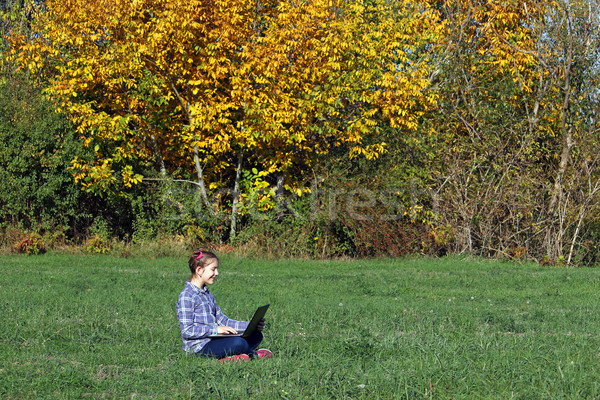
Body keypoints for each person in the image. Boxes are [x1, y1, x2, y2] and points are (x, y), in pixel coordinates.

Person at [176, 248, 272, 362]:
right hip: (199, 348)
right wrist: (215, 330)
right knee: (238, 343)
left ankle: (232, 358)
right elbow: (187, 331)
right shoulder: (187, 296)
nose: (217, 273)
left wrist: (250, 326)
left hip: (215, 341)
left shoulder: (207, 294)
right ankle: (253, 355)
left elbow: (224, 321)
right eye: (213, 269)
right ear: (199, 270)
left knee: (256, 335)